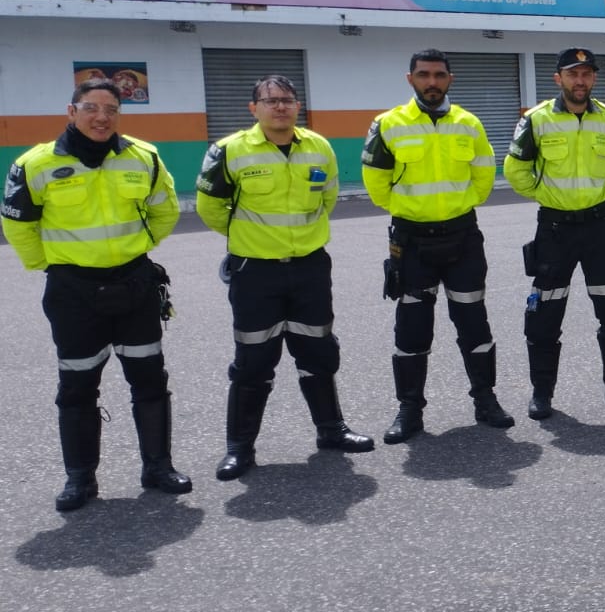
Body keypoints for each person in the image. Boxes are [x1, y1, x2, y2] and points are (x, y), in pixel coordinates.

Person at [1, 80, 191, 511]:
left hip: (135, 285)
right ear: (72, 111)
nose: (101, 116)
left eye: (111, 109)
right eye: (91, 107)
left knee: (149, 379)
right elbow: (17, 224)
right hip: (73, 293)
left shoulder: (144, 157)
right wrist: (49, 265)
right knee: (78, 385)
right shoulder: (36, 163)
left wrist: (137, 249)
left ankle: (158, 467)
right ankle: (80, 479)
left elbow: (165, 209)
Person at [196, 75, 374, 481]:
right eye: (271, 100)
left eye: (288, 100)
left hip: (310, 267)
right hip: (255, 270)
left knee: (319, 352)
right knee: (254, 360)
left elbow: (327, 197)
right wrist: (249, 237)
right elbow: (210, 208)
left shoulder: (319, 147)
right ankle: (239, 448)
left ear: (298, 106)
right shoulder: (229, 151)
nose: (280, 107)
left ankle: (331, 430)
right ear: (253, 108)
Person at [363, 49, 513, 444]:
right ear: (410, 78)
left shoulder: (468, 123)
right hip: (412, 241)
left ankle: (486, 400)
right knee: (412, 328)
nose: (432, 81)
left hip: (462, 237)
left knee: (473, 322)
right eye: (424, 74)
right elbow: (376, 182)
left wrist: (457, 207)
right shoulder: (388, 124)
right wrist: (409, 209)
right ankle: (409, 409)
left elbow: (483, 175)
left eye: (439, 75)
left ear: (450, 79)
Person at [505, 48, 605, 419]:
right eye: (572, 74)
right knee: (545, 314)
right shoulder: (537, 119)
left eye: (586, 74)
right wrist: (546, 195)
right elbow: (516, 169)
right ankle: (542, 394)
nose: (580, 80)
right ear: (558, 79)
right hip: (555, 228)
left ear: (594, 78)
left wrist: (601, 191)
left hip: (600, 227)